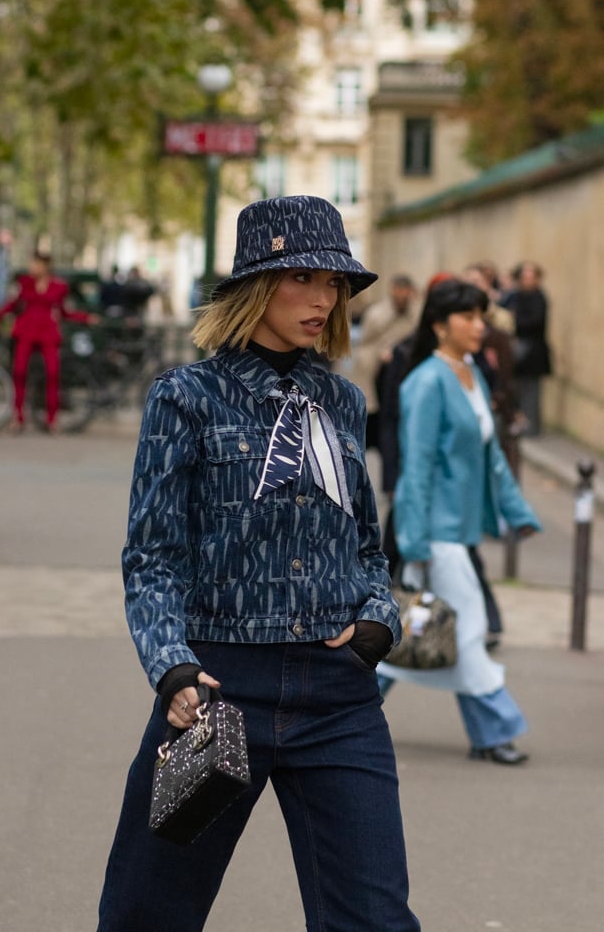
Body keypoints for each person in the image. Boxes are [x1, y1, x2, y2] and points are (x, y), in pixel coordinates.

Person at [97, 195, 420, 932]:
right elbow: (151, 555)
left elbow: (366, 545)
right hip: (217, 693)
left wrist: (377, 619)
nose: (321, 297)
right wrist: (171, 668)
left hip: (337, 697)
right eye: (301, 278)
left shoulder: (339, 402)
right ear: (253, 286)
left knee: (374, 920)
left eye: (333, 282)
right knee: (148, 914)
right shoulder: (185, 399)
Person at [376, 279, 541, 766]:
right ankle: (495, 729)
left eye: (481, 316)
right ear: (439, 324)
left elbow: (490, 457)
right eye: (468, 317)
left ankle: (337, 710)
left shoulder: (469, 371)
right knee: (466, 630)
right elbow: (416, 468)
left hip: (457, 528)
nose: (479, 326)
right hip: (434, 532)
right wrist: (414, 539)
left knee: (406, 640)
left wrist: (518, 512)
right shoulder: (426, 381)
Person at [0, 251, 95, 432]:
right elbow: (13, 304)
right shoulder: (25, 283)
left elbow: (65, 311)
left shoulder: (58, 286)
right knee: (19, 372)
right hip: (26, 330)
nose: (33, 267)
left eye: (36, 264)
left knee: (53, 374)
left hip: (48, 332)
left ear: (45, 266)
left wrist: (85, 318)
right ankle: (18, 417)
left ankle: (52, 419)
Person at [349, 274, 418, 451]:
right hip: (377, 369)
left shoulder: (414, 315)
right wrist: (381, 353)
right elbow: (366, 343)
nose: (402, 295)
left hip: (403, 369)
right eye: (399, 290)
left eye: (405, 291)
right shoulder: (377, 314)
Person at [503, 260, 552, 436]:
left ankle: (532, 428)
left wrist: (514, 320)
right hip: (522, 351)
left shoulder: (538, 298)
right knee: (520, 389)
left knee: (531, 391)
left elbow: (533, 323)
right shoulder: (518, 295)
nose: (527, 281)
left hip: (533, 353)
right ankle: (523, 424)